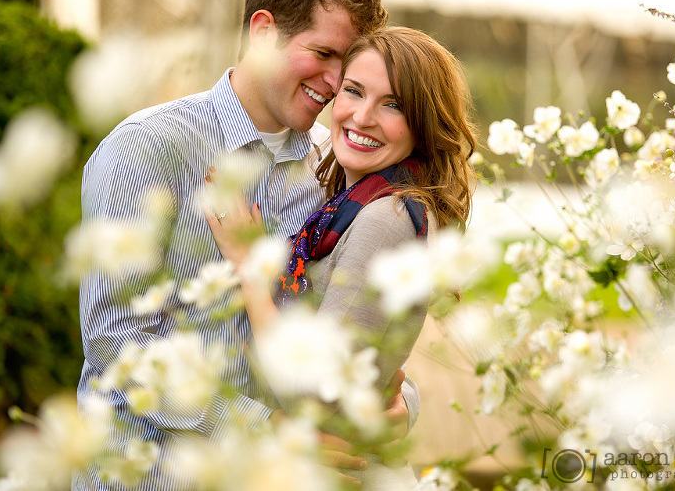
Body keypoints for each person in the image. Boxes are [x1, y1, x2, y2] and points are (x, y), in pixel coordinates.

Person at [75, 0, 417, 489]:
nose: (332, 82)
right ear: (263, 33)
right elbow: (117, 348)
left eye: (344, 66)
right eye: (322, 53)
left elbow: (354, 321)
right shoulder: (146, 148)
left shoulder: (338, 163)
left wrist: (399, 406)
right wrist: (268, 431)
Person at [204, 26, 477, 490]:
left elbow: (318, 386)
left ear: (423, 124)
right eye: (353, 91)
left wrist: (251, 269)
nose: (362, 116)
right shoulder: (345, 206)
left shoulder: (385, 217)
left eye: (394, 105)